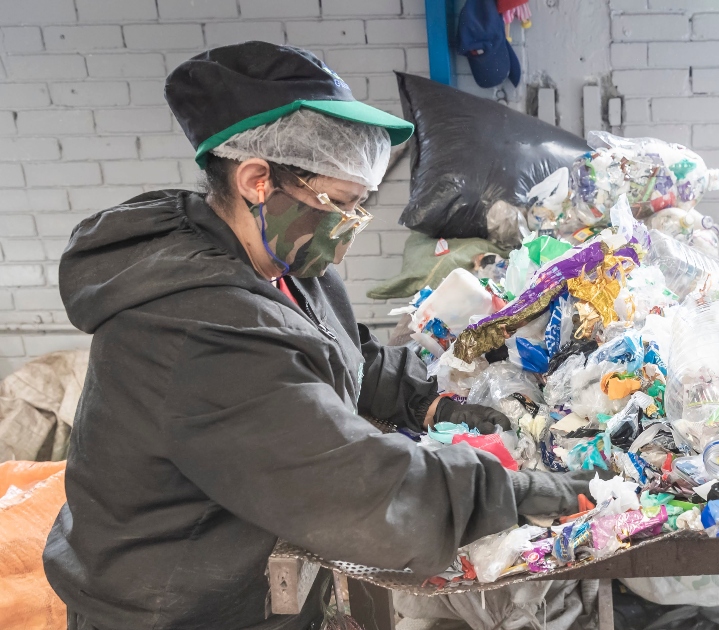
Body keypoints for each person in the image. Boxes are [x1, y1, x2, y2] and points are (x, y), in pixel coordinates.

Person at [43, 42, 591, 630]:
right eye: (342, 204)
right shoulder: (197, 326)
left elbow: (338, 352)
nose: (352, 227)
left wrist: (431, 401)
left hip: (238, 567)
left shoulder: (275, 264)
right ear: (258, 180)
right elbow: (351, 487)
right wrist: (522, 491)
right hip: (182, 607)